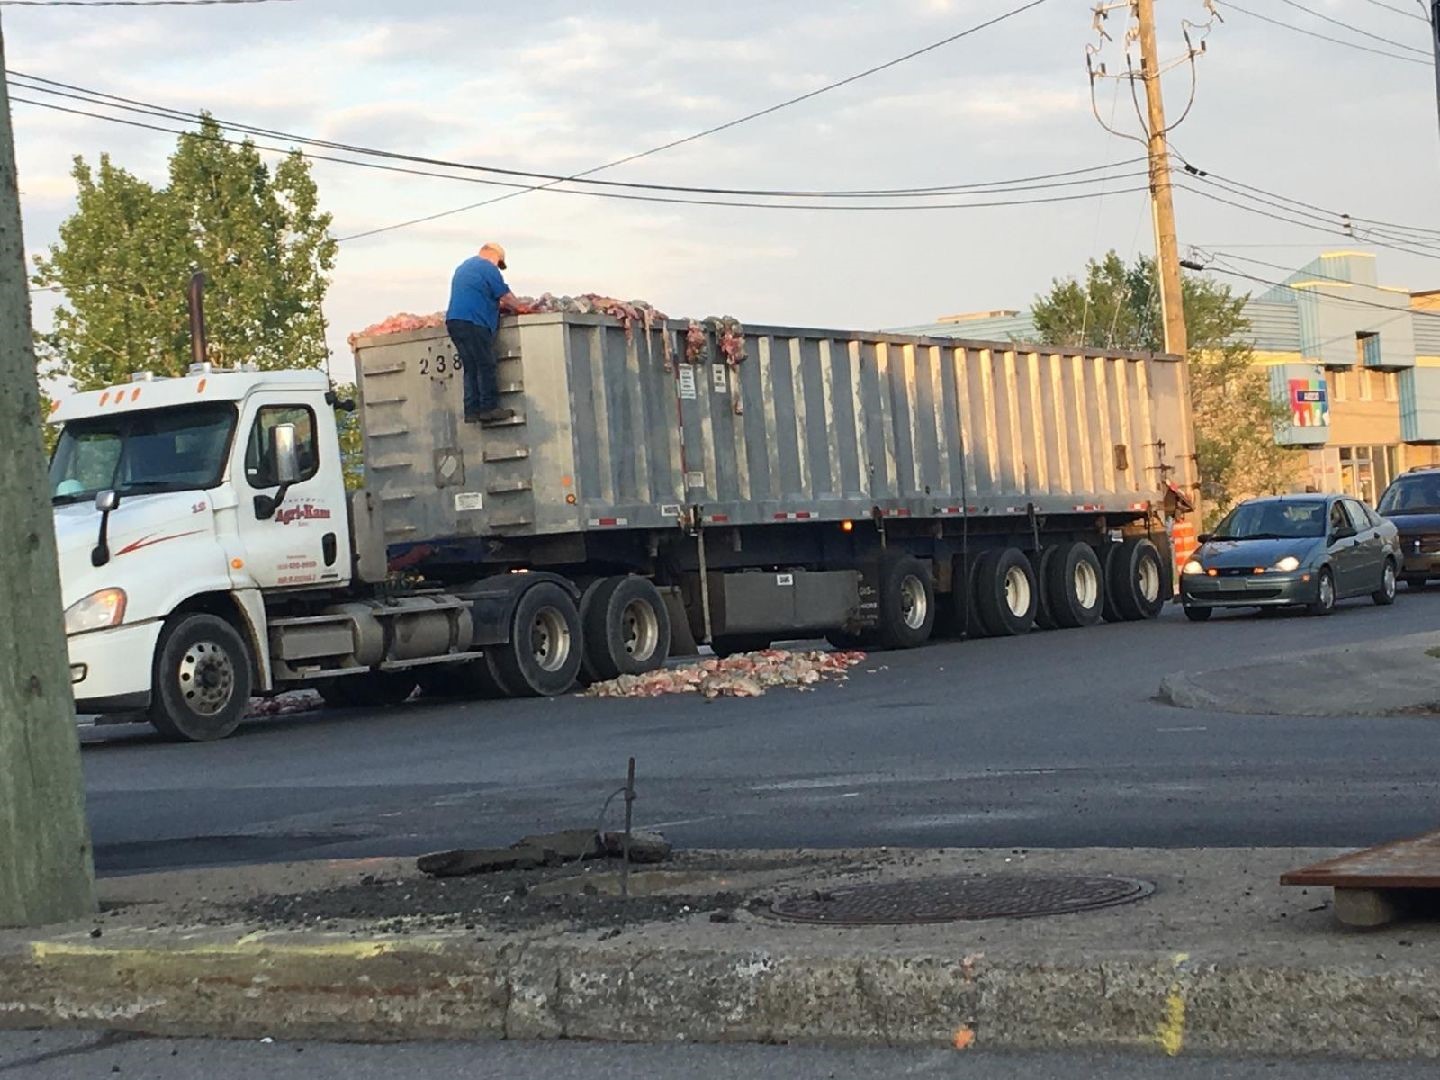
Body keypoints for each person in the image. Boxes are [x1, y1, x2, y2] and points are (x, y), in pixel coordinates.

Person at [446, 242, 531, 424]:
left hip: (454, 321)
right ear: (495, 256)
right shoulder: (487, 268)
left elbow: (477, 295)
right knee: (486, 364)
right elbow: (505, 296)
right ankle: (489, 408)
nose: (497, 267)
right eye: (499, 263)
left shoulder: (464, 267)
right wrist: (522, 308)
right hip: (474, 322)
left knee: (471, 366)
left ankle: (472, 410)